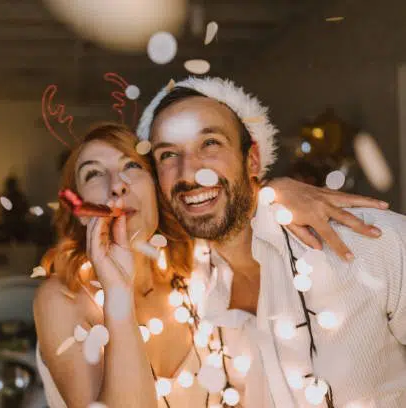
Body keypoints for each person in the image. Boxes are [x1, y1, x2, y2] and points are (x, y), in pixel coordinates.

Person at [33, 122, 386, 407]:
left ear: (158, 190)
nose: (117, 187)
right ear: (78, 211)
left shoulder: (197, 270)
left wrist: (278, 190)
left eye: (131, 167)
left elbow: (244, 211)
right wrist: (117, 293)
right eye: (94, 174)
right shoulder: (61, 298)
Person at [137, 76, 406, 407]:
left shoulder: (368, 242)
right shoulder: (184, 290)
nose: (190, 171)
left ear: (252, 159)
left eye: (210, 144)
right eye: (168, 155)